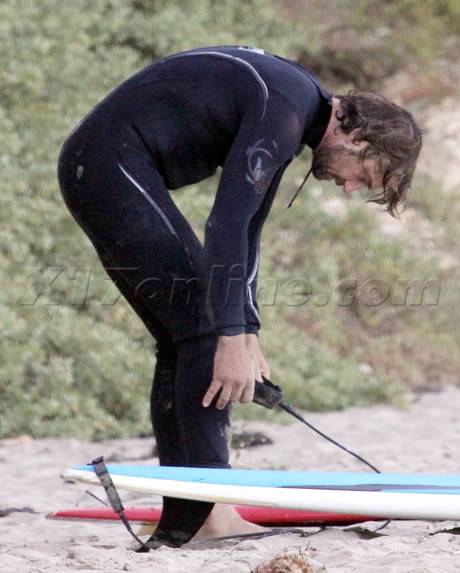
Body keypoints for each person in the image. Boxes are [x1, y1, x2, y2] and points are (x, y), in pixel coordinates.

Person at [57, 45, 422, 547]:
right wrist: (229, 336)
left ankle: (183, 520)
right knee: (205, 335)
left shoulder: (293, 107)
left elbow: (248, 229)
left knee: (185, 338)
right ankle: (212, 515)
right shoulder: (286, 109)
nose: (349, 187)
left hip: (101, 167)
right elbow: (225, 224)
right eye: (365, 174)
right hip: (108, 166)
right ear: (356, 134)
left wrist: (247, 331)